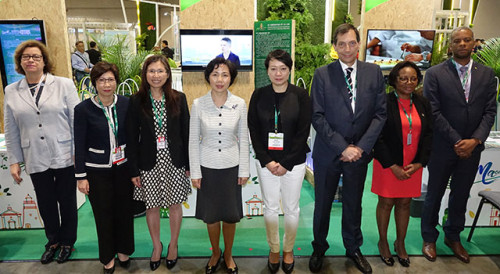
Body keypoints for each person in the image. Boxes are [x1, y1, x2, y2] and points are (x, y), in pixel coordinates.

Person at [309, 23, 386, 274]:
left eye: (352, 43)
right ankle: (319, 247)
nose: (347, 48)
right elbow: (317, 116)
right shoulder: (322, 74)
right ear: (334, 47)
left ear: (359, 44)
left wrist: (360, 148)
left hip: (359, 155)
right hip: (329, 152)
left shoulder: (373, 73)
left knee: (354, 203)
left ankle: (353, 248)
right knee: (322, 204)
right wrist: (343, 147)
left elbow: (380, 115)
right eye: (341, 44)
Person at [421, 26, 497, 264]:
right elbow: (433, 111)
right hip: (443, 146)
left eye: (466, 40)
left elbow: (489, 111)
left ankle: (453, 237)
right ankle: (429, 238)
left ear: (474, 43)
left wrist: (474, 140)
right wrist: (457, 140)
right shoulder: (434, 74)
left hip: (472, 149)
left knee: (461, 195)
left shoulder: (487, 74)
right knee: (434, 194)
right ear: (450, 45)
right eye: (457, 41)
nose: (462, 44)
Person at [4, 40, 80, 264]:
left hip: (64, 153)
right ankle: (53, 241)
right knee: (45, 203)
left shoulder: (64, 85)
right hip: (34, 155)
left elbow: (76, 120)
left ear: (44, 61)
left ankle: (67, 242)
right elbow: (11, 129)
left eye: (36, 56)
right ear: (19, 62)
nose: (30, 60)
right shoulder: (11, 90)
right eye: (25, 57)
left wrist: (78, 153)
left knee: (67, 202)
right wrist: (14, 160)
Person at [248, 49, 311, 274]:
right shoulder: (258, 95)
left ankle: (288, 249)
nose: (278, 73)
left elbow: (303, 132)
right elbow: (253, 130)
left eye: (283, 68)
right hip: (266, 163)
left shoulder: (301, 95)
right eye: (273, 68)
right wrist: (267, 160)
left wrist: (286, 162)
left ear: (289, 70)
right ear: (267, 70)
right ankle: (274, 248)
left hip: (293, 162)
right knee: (271, 207)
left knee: (292, 208)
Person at [126, 55, 191, 271]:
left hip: (174, 161)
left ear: (168, 74)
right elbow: (131, 136)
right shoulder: (136, 101)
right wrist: (133, 169)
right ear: (145, 74)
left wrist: (189, 165)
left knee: (174, 205)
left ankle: (173, 245)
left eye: (160, 71)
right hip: (148, 162)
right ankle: (156, 246)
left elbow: (186, 133)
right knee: (151, 206)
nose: (156, 75)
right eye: (151, 71)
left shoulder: (179, 98)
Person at [189, 57, 249, 274]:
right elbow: (193, 141)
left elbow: (244, 138)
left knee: (231, 215)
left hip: (232, 167)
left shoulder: (240, 103)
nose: (220, 79)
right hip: (207, 167)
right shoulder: (198, 104)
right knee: (211, 215)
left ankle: (229, 254)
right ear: (208, 78)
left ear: (231, 78)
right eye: (215, 74)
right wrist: (195, 171)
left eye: (224, 74)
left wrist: (244, 169)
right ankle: (215, 252)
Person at [371, 61, 433, 268]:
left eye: (413, 78)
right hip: (388, 164)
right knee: (386, 203)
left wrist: (419, 163)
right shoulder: (384, 102)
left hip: (412, 165)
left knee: (405, 203)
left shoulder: (423, 103)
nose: (408, 82)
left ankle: (401, 243)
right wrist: (392, 165)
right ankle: (383, 242)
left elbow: (428, 135)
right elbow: (376, 137)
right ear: (394, 80)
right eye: (403, 78)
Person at [74, 61, 134, 273]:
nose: (106, 84)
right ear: (95, 83)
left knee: (124, 211)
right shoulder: (83, 109)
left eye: (110, 79)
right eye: (101, 80)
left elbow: (134, 137)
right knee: (103, 214)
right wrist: (81, 176)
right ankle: (107, 255)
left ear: (116, 82)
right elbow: (78, 143)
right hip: (96, 170)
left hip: (124, 168)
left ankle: (124, 250)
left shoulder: (126, 103)